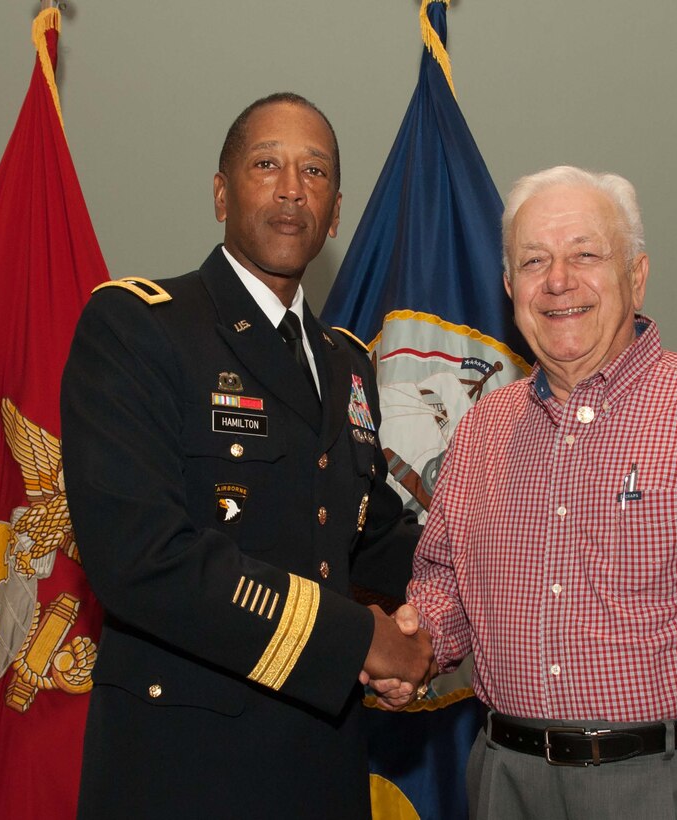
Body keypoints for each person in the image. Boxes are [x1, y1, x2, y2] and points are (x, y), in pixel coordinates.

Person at [373, 166, 677, 818]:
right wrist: (412, 647)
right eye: (534, 261)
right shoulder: (478, 433)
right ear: (508, 287)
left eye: (585, 254)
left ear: (636, 276)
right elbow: (446, 584)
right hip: (507, 787)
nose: (558, 280)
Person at [61, 93, 434, 819]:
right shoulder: (138, 327)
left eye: (315, 171)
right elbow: (141, 558)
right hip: (182, 771)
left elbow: (371, 535)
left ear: (333, 214)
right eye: (267, 164)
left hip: (322, 766)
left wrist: (493, 572)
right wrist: (363, 639)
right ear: (221, 193)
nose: (292, 187)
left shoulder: (347, 363)